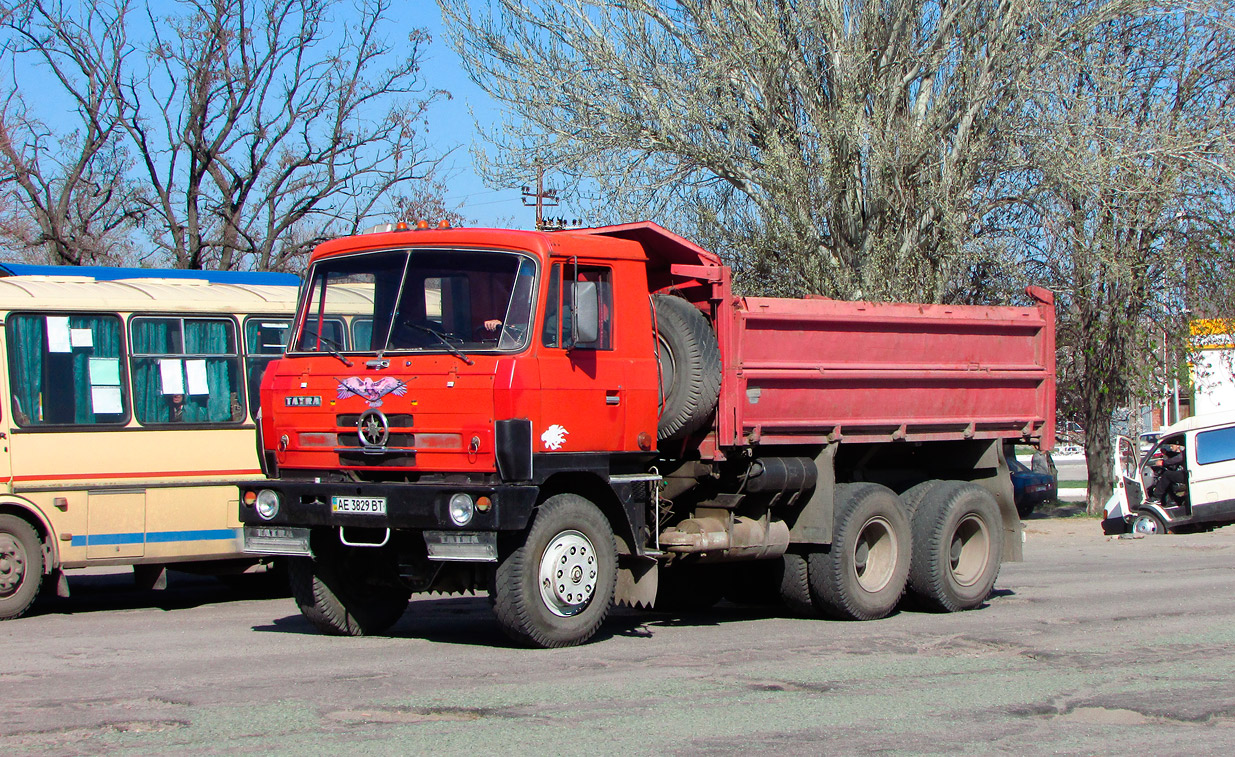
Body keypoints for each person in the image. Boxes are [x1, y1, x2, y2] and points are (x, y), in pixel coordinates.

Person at [1146, 442, 1187, 506]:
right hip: (1188, 473)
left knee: (1167, 475)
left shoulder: (1189, 448)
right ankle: (1176, 500)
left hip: (1188, 474)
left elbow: (1179, 458)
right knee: (1169, 479)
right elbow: (1179, 456)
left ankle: (1156, 497)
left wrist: (1163, 463)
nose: (1171, 446)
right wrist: (1167, 453)